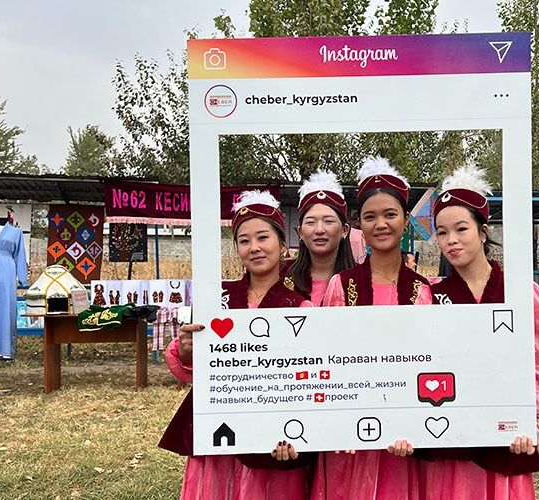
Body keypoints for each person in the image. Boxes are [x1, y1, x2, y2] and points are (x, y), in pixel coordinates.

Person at [160, 190, 313, 500]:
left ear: (283, 245)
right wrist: (188, 351)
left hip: (273, 428)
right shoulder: (215, 298)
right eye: (244, 241)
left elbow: (306, 377)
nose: (254, 247)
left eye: (263, 238)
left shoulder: (300, 307)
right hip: (218, 420)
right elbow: (196, 362)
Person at [414, 165, 539, 500]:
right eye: (442, 232)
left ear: (483, 231)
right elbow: (421, 363)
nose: (451, 240)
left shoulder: (522, 292)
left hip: (506, 432)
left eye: (461, 229)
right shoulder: (429, 295)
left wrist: (526, 417)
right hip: (449, 432)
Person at [310, 156, 431, 500]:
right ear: (359, 225)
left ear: (405, 219)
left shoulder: (422, 290)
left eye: (390, 214)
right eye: (370, 217)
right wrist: (338, 421)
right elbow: (326, 359)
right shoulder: (341, 285)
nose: (381, 224)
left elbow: (429, 362)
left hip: (403, 436)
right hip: (348, 437)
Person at [285, 170, 355, 305]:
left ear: (344, 230)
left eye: (328, 221)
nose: (319, 230)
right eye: (310, 222)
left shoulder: (361, 279)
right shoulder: (282, 278)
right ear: (300, 232)